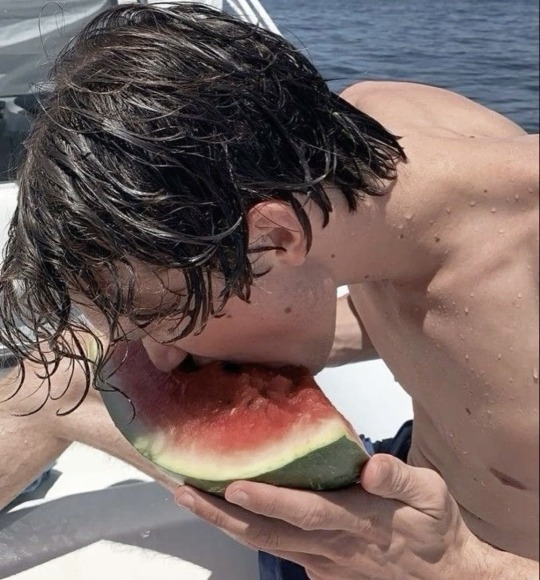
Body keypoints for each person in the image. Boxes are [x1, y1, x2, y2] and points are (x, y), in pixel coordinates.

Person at [0, 3, 538, 579]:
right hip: (390, 496)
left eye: (166, 315)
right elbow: (434, 315)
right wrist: (274, 370)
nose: (159, 356)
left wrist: (455, 564)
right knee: (57, 375)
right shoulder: (366, 134)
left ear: (276, 236)